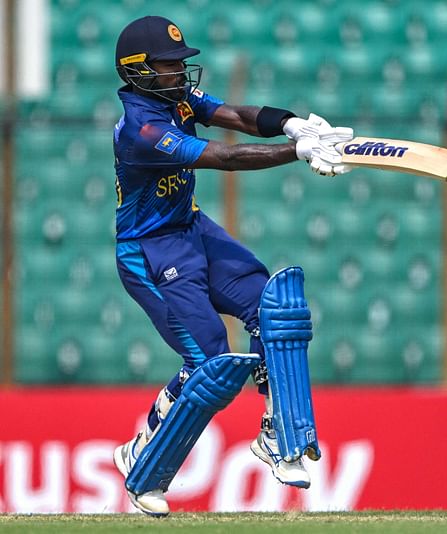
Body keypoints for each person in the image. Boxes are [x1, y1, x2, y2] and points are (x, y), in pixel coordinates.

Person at [110, 15, 352, 517]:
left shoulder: (174, 101)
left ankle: (279, 435)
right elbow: (225, 157)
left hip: (192, 228)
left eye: (181, 63)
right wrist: (297, 153)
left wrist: (291, 123)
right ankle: (144, 462)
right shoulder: (143, 129)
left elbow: (236, 116)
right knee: (211, 362)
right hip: (149, 251)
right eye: (168, 65)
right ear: (138, 70)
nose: (180, 72)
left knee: (273, 307)